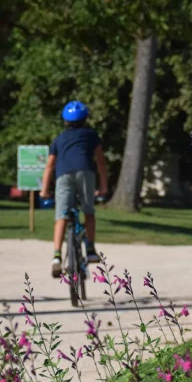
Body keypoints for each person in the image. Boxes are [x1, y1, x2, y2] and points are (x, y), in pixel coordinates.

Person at [40, 101, 108, 278]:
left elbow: (49, 166)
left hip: (63, 175)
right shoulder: (91, 135)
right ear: (85, 119)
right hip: (86, 172)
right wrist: (103, 186)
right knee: (88, 211)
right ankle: (91, 249)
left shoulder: (59, 139)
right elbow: (100, 161)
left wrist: (45, 190)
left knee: (62, 216)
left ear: (65, 121)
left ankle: (56, 256)